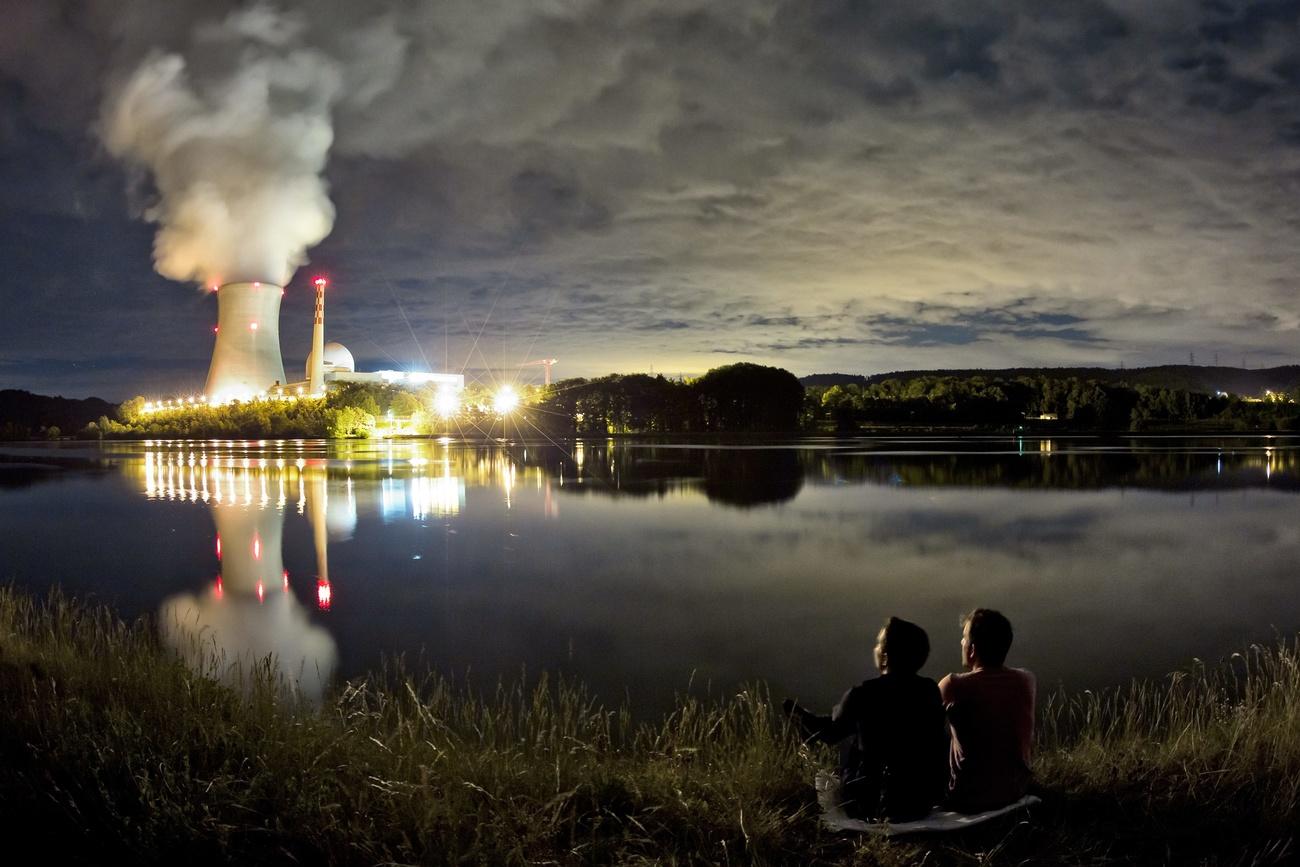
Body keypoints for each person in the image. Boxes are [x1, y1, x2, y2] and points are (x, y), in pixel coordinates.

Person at [783, 617, 948, 821]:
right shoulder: (930, 691)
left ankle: (810, 721)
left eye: (879, 644)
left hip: (869, 804)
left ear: (886, 656)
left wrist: (806, 722)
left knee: (852, 742)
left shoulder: (863, 693)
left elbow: (831, 735)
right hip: (918, 802)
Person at [938, 608, 1036, 813]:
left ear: (972, 649)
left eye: (964, 638)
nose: (961, 643)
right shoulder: (1026, 680)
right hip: (1017, 789)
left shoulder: (954, 684)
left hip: (967, 797)